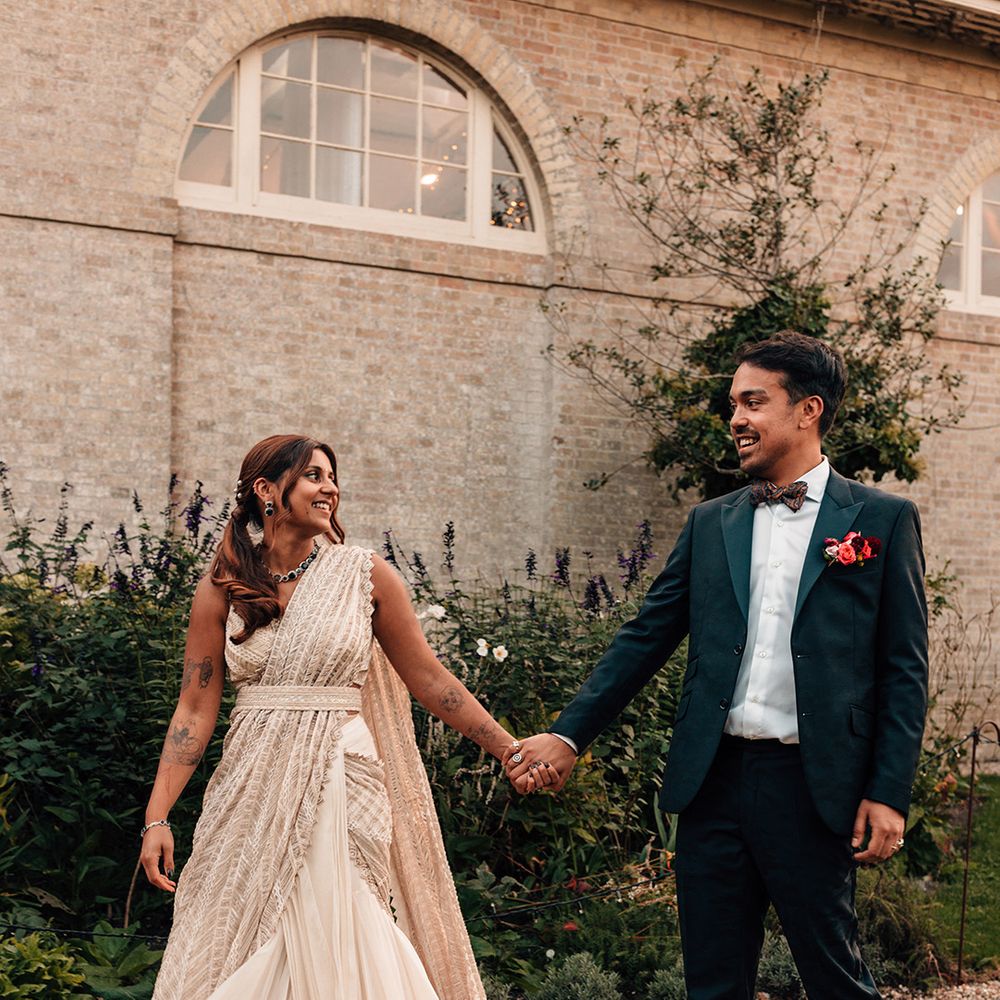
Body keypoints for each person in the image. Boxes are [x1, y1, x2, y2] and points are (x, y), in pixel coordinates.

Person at [505, 332, 929, 999]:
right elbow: (646, 637)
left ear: (808, 411)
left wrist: (888, 791)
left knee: (835, 978)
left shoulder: (880, 521)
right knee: (711, 981)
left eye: (753, 402)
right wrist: (568, 735)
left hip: (814, 787)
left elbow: (904, 669)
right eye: (733, 403)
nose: (736, 418)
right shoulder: (711, 522)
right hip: (713, 783)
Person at [141, 434, 558, 1000]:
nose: (330, 488)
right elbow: (194, 708)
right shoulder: (222, 590)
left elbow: (431, 680)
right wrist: (158, 816)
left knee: (342, 911)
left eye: (332, 478)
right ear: (267, 489)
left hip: (340, 771)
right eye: (314, 476)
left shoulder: (365, 575)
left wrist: (509, 748)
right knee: (230, 926)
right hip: (250, 784)